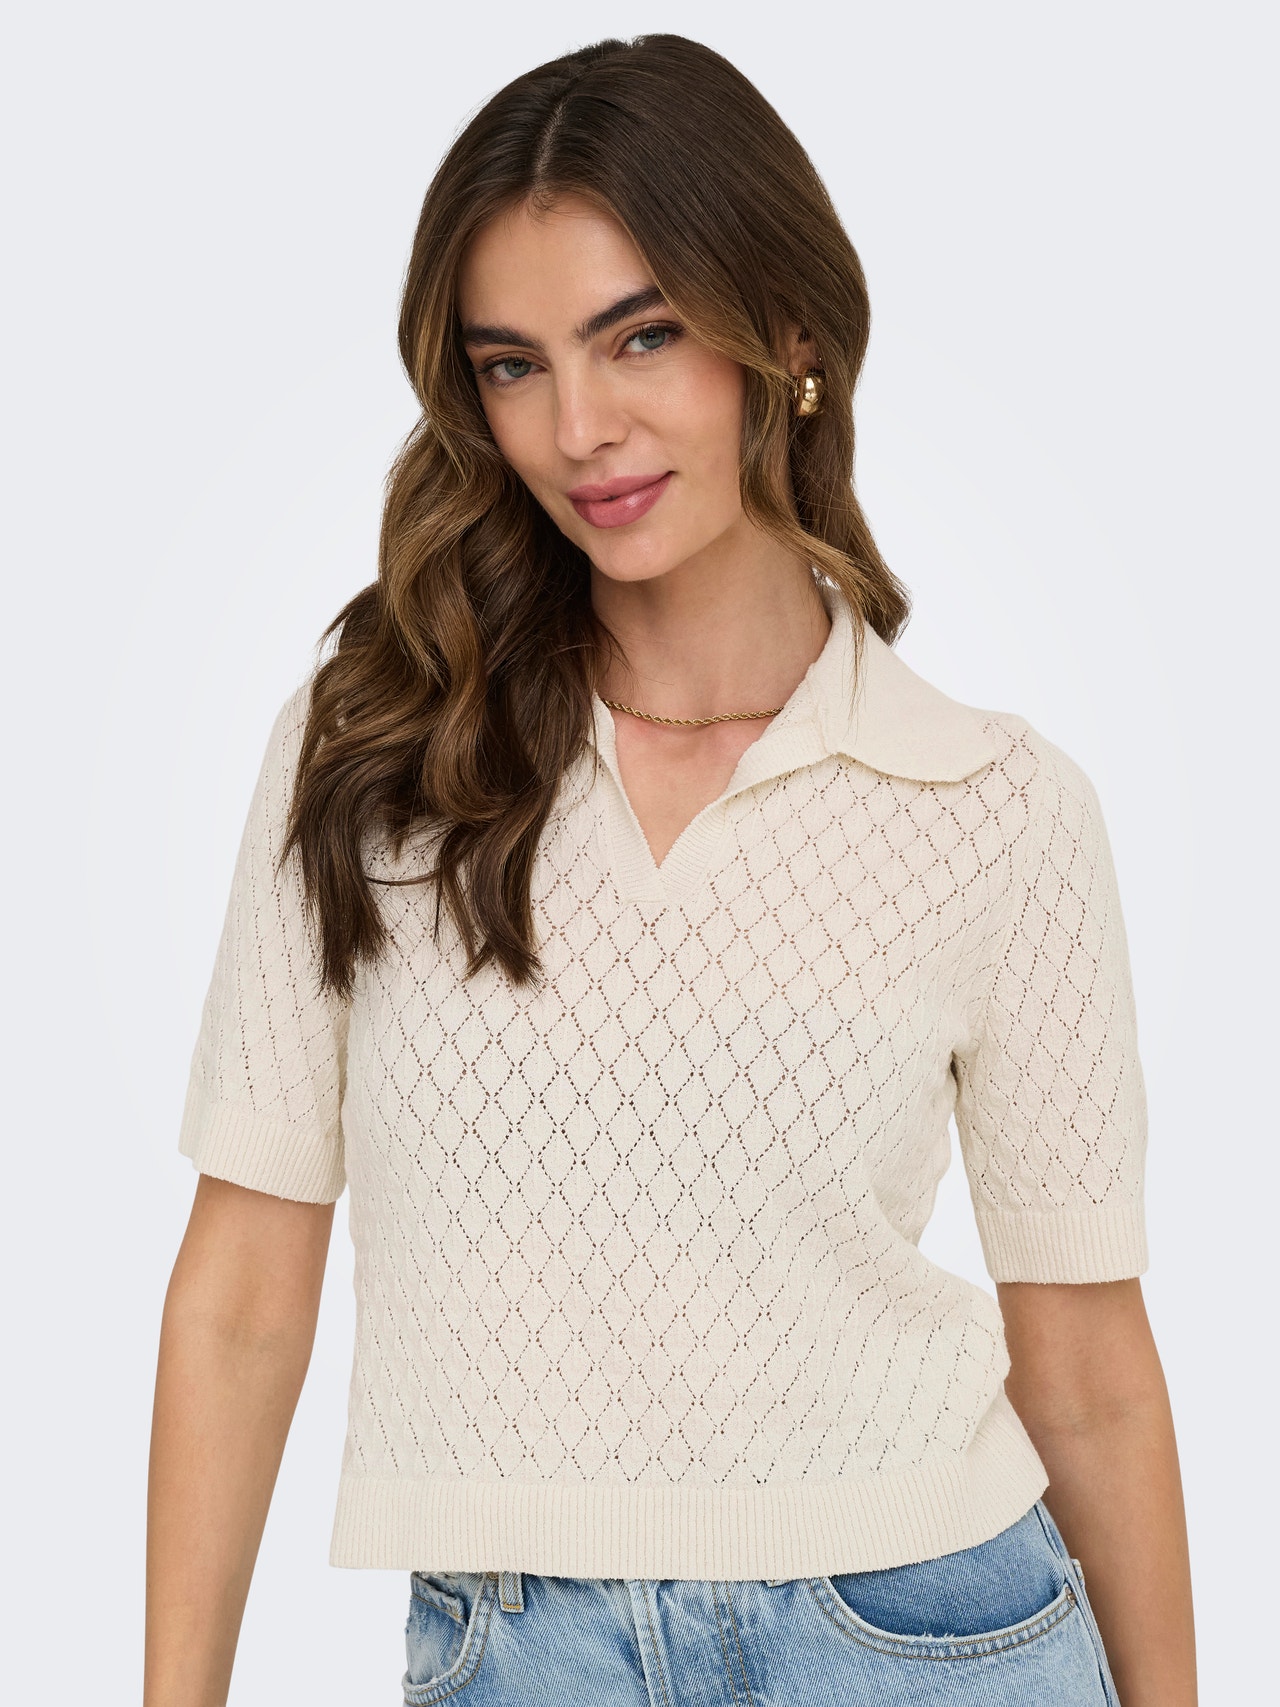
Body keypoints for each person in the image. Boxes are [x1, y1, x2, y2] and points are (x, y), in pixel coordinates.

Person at [145, 33, 1197, 1707]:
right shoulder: (376, 754)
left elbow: (1087, 1370)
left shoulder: (995, 808)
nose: (581, 427)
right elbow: (241, 1302)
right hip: (519, 1651)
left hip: (931, 1642)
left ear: (789, 335)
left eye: (641, 335)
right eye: (513, 365)